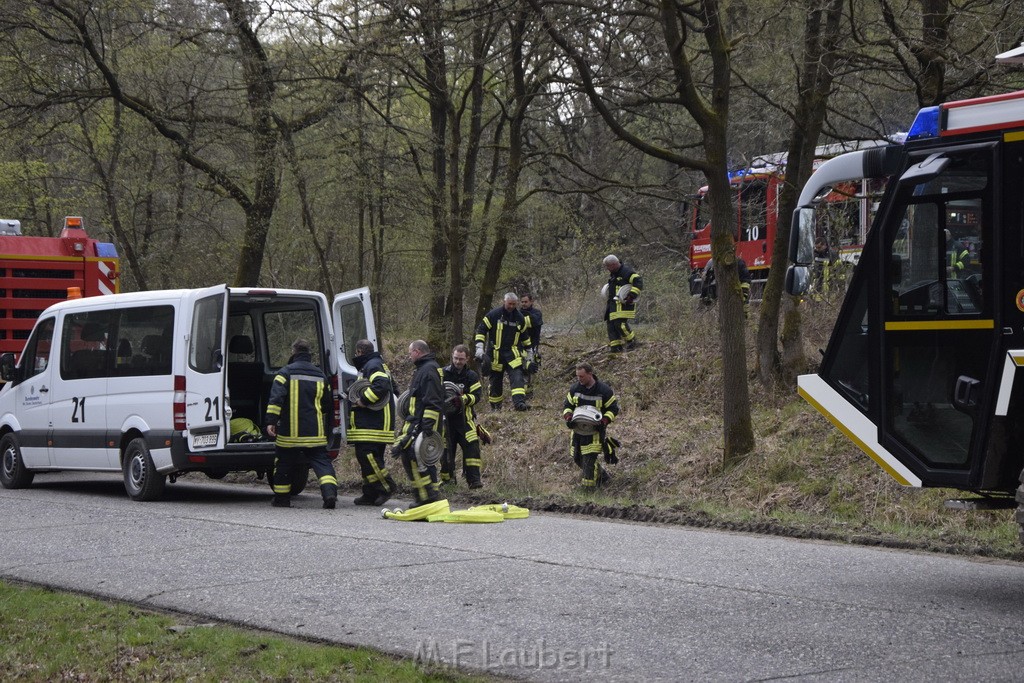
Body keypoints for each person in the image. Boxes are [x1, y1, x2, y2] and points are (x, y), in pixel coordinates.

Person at [265, 339, 337, 509]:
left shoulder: (285, 373)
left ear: (293, 351)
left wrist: (271, 421)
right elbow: (327, 405)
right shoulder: (320, 375)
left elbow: (276, 400)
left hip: (289, 433)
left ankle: (282, 499)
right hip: (315, 432)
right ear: (309, 353)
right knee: (322, 463)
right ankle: (330, 494)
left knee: (284, 464)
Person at [392, 339, 446, 508]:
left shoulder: (428, 370)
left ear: (416, 351)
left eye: (410, 353)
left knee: (418, 456)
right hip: (418, 421)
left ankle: (428, 496)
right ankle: (422, 496)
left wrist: (427, 426)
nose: (409, 357)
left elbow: (432, 400)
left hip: (426, 424)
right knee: (409, 455)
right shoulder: (423, 369)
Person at [348, 339, 398, 507]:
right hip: (374, 422)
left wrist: (363, 400)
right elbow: (394, 388)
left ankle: (386, 486)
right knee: (369, 458)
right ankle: (370, 493)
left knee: (368, 457)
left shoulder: (373, 365)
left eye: (357, 353)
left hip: (373, 423)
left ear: (360, 352)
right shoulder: (376, 364)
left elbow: (382, 385)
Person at [562, 362, 620, 488]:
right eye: (577, 376)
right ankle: (603, 478)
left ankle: (588, 490)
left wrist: (604, 421)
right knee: (578, 458)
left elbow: (613, 409)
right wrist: (568, 417)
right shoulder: (574, 389)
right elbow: (567, 406)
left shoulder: (604, 391)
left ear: (590, 374)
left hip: (595, 433)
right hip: (577, 432)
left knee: (588, 461)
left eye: (581, 376)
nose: (579, 379)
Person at [474, 292, 531, 411]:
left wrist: (529, 355)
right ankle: (496, 408)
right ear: (504, 302)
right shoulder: (494, 314)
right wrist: (479, 349)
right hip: (495, 355)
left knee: (517, 378)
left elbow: (525, 337)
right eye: (509, 304)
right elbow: (481, 330)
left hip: (512, 355)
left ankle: (519, 404)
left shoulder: (520, 318)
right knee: (495, 382)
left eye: (514, 304)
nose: (511, 306)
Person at [440, 344, 484, 488]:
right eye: (456, 358)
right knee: (446, 452)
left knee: (472, 449)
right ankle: (448, 481)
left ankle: (474, 481)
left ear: (467, 359)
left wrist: (462, 400)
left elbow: (477, 396)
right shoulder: (442, 373)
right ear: (452, 356)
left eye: (461, 359)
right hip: (446, 421)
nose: (458, 361)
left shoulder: (471, 376)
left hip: (466, 420)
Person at [603, 255, 643, 352]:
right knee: (611, 326)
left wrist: (631, 295)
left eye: (608, 267)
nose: (607, 269)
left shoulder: (626, 272)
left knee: (620, 324)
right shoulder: (614, 273)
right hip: (612, 305)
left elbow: (638, 281)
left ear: (613, 264)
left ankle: (632, 341)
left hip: (622, 304)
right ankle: (616, 348)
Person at [519, 293, 543, 394]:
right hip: (519, 345)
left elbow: (534, 322)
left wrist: (522, 317)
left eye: (526, 302)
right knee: (521, 367)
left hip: (532, 345)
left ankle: (529, 391)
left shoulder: (537, 313)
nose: (524, 304)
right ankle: (522, 390)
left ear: (531, 302)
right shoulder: (517, 313)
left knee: (530, 367)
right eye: (522, 302)